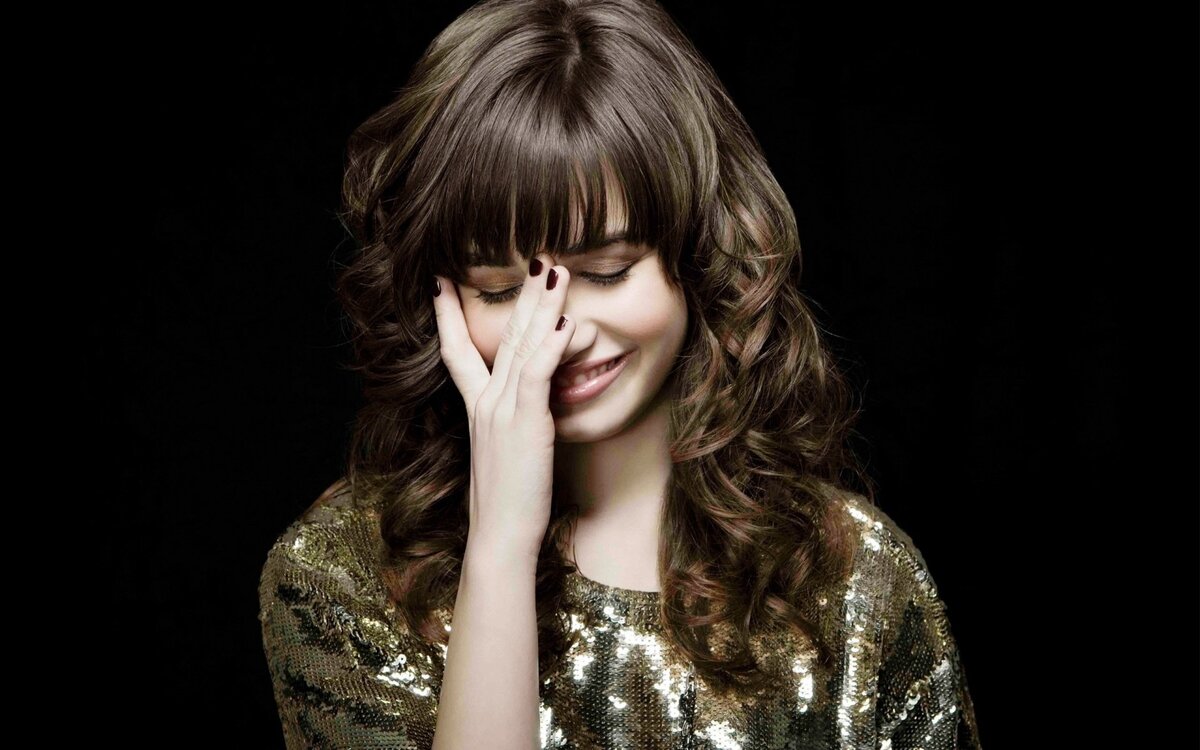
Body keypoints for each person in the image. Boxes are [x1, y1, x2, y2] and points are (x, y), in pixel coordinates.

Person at [257, 0, 983, 747]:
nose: (558, 331)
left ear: (699, 258)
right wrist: (500, 551)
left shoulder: (853, 573)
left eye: (606, 271)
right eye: (500, 289)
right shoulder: (339, 577)